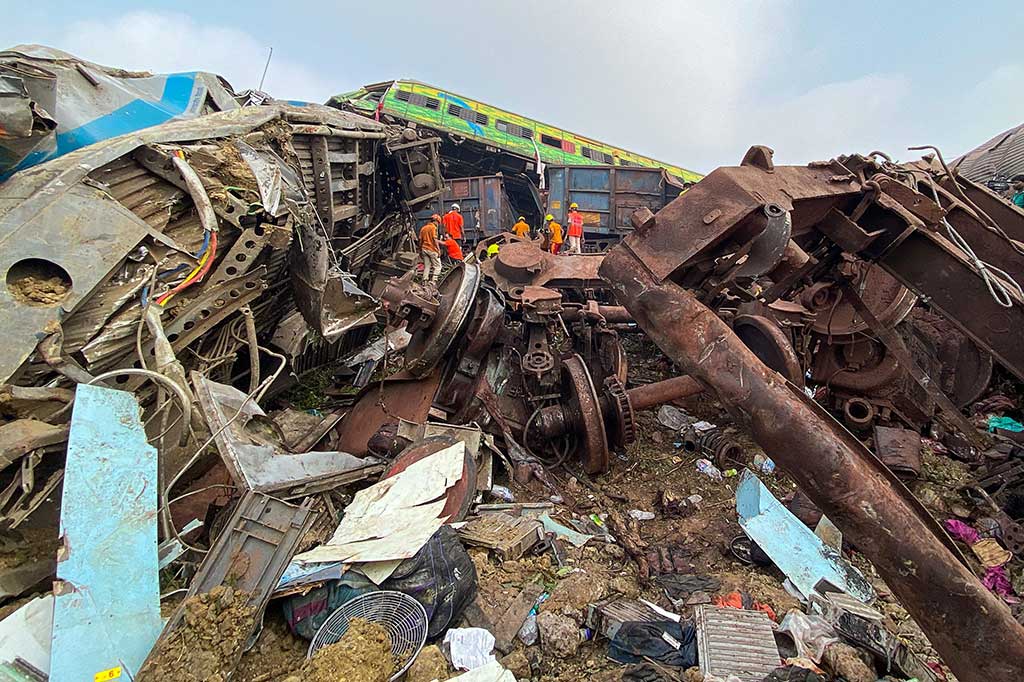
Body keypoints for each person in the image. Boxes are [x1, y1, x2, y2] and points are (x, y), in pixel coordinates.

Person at [419, 214, 442, 283]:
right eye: (438, 223)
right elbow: (435, 239)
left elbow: (420, 240)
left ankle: (424, 281)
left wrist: (420, 250)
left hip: (424, 249)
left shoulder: (423, 228)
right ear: (436, 221)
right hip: (432, 249)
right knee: (438, 266)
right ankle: (433, 281)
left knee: (427, 266)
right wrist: (438, 250)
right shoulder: (433, 228)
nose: (438, 224)